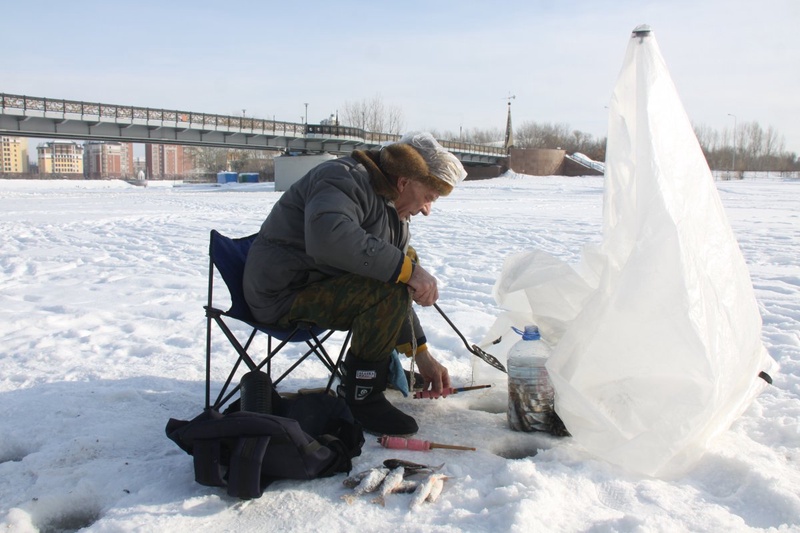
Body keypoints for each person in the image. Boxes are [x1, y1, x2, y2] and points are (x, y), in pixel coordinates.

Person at [243, 132, 467, 435]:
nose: (427, 209)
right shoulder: (341, 178)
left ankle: (369, 374)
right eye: (429, 197)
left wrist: (422, 354)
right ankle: (362, 396)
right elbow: (328, 236)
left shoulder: (391, 207)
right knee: (390, 283)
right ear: (404, 181)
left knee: (394, 277)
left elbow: (392, 276)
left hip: (317, 283)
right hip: (283, 292)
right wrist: (408, 270)